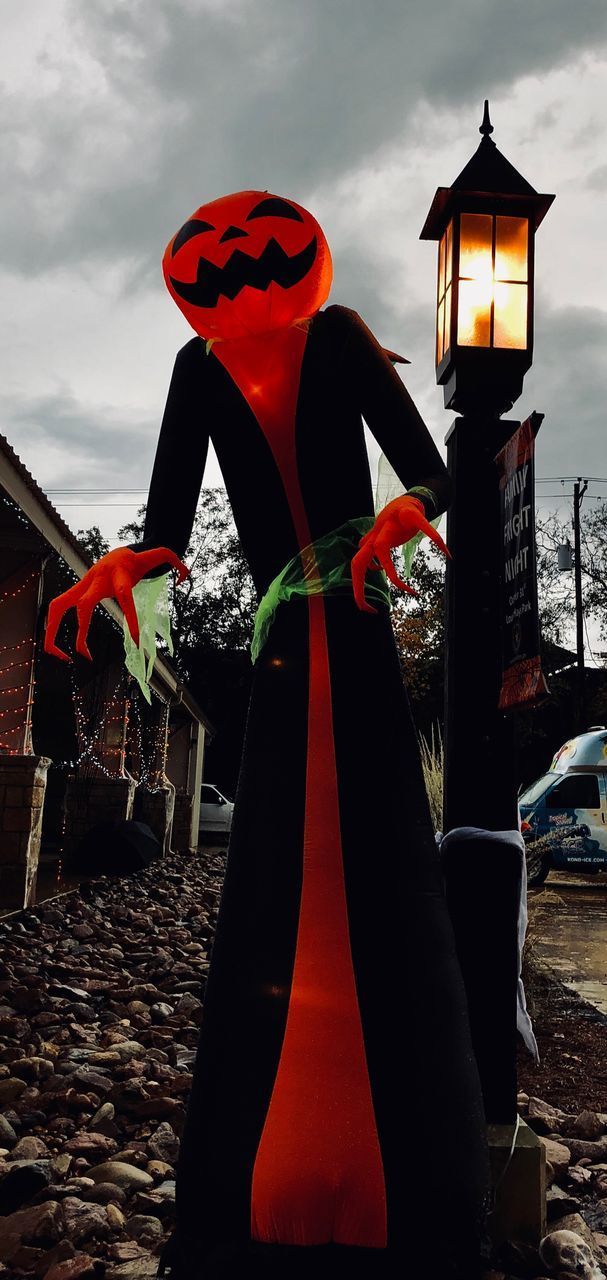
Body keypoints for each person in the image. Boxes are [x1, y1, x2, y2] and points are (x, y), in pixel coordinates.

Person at [45, 191, 490, 1279]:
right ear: (188, 274)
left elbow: (429, 468)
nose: (238, 262)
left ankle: (402, 1172)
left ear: (298, 253)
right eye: (212, 254)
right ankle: (261, 1161)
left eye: (256, 248)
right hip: (281, 630)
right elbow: (165, 517)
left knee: (376, 836)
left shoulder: (336, 339)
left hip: (357, 608)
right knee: (278, 852)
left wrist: (400, 512)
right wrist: (125, 565)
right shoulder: (198, 370)